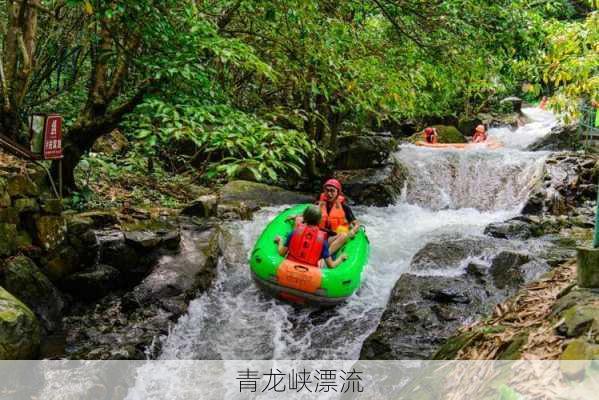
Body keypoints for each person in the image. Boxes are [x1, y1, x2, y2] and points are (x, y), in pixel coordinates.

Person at [275, 205, 347, 269]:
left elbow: (281, 253)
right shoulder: (322, 241)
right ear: (319, 221)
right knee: (322, 261)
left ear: (304, 218)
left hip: (289, 268)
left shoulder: (294, 232)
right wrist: (341, 258)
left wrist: (280, 241)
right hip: (311, 274)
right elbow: (331, 265)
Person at [317, 179, 360, 254]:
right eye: (327, 190)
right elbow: (311, 214)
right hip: (319, 234)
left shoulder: (344, 207)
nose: (329, 193)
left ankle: (325, 256)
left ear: (337, 193)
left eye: (332, 191)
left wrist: (352, 231)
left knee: (344, 235)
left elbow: (356, 224)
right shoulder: (321, 203)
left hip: (333, 236)